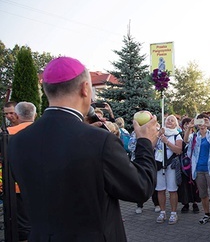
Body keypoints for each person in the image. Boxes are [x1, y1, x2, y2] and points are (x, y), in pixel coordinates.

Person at [8, 57, 158, 242]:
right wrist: (144, 142)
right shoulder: (101, 141)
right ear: (85, 88)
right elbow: (141, 188)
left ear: (47, 91)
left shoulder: (17, 141)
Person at [7, 101, 37, 242]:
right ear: (35, 114)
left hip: (17, 186)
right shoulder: (44, 131)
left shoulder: (8, 133)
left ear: (17, 115)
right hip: (43, 184)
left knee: (23, 226)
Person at [184, 113, 210, 224]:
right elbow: (185, 140)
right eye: (200, 122)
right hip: (198, 169)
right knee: (203, 194)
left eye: (204, 121)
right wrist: (189, 128)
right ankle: (206, 214)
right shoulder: (194, 136)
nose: (202, 125)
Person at [155, 115, 183, 225]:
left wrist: (167, 142)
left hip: (171, 165)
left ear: (176, 124)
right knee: (160, 189)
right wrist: (158, 135)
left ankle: (173, 213)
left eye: (172, 120)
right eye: (168, 120)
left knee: (172, 189)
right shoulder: (160, 134)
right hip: (159, 165)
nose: (169, 122)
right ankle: (162, 212)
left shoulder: (177, 135)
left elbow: (178, 150)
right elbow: (152, 146)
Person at [178, 117, 200, 214]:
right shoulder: (179, 135)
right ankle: (185, 203)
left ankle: (195, 203)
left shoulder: (196, 135)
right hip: (183, 164)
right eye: (185, 124)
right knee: (184, 184)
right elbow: (184, 141)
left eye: (189, 123)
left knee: (194, 184)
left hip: (194, 163)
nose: (187, 125)